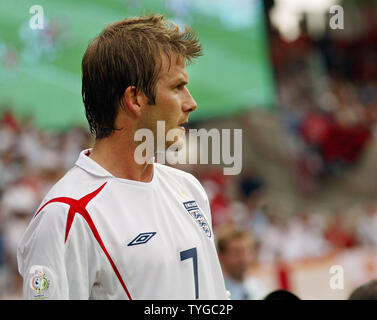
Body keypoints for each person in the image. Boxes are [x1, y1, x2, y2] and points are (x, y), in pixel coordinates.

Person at [17, 14, 228, 300]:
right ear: (135, 99)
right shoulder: (68, 215)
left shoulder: (187, 188)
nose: (191, 103)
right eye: (177, 87)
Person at [217, 225, 269, 300]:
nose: (243, 259)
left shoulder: (259, 288)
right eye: (236, 253)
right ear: (221, 256)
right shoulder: (217, 292)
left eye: (247, 252)